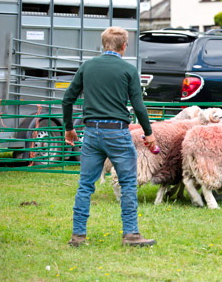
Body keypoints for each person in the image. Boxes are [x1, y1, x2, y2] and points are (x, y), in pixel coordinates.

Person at [63, 26, 157, 247]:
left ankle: (78, 236)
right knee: (127, 184)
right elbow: (138, 106)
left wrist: (69, 128)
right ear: (124, 46)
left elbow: (68, 99)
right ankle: (131, 235)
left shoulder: (87, 67)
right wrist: (149, 133)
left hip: (92, 132)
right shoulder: (127, 70)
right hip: (117, 132)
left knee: (85, 185)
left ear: (103, 44)